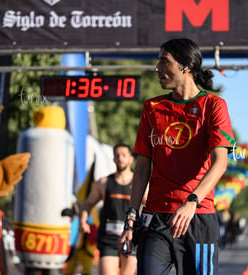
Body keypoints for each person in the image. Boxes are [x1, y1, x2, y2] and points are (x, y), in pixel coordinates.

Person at [118, 38, 235, 275]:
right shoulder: (152, 108)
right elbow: (141, 169)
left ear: (186, 65)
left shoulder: (213, 106)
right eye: (158, 62)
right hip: (156, 219)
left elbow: (220, 163)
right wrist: (131, 217)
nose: (157, 68)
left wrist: (192, 202)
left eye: (165, 62)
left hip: (198, 219)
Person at [79, 144, 137, 275]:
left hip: (131, 238)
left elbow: (151, 205)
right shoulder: (104, 183)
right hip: (109, 239)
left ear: (130, 159)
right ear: (114, 159)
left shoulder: (138, 184)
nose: (120, 158)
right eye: (117, 155)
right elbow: (87, 204)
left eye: (124, 155)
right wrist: (83, 221)